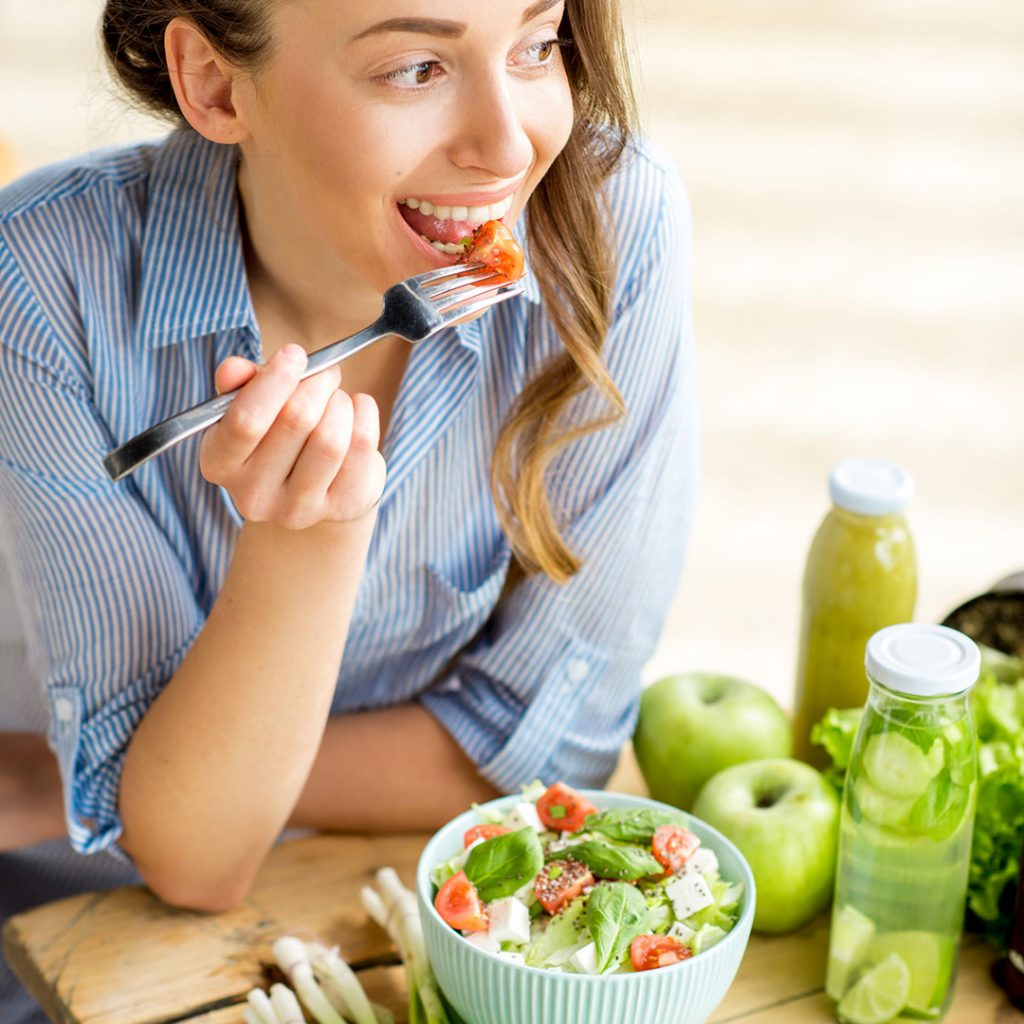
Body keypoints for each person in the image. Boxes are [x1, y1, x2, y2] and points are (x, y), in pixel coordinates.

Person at [0, 0, 696, 1016]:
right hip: (86, 936)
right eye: (415, 68)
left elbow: (555, 748)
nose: (508, 145)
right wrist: (305, 545)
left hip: (422, 914)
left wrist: (121, 778)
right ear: (214, 83)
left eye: (536, 45)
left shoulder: (612, 224)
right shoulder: (44, 282)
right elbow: (191, 860)